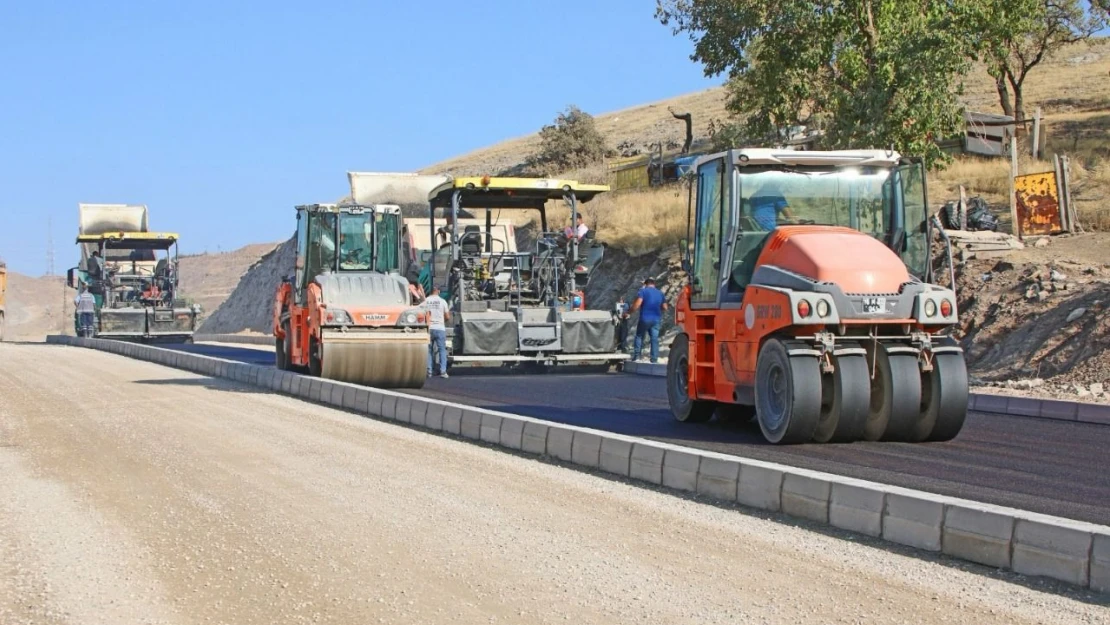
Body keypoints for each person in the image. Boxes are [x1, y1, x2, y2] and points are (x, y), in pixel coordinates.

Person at [631, 277, 667, 364]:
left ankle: (637, 356)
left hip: (645, 319)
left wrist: (629, 312)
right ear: (654, 284)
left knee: (639, 336)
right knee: (654, 338)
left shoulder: (643, 291)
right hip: (656, 319)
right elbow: (665, 307)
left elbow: (637, 304)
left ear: (646, 284)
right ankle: (654, 359)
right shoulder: (660, 293)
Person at [421, 285, 451, 378]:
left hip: (429, 328)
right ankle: (443, 371)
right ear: (438, 291)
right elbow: (447, 317)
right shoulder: (442, 302)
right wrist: (443, 321)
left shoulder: (426, 301)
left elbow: (422, 314)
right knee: (442, 349)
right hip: (440, 328)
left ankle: (429, 371)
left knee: (429, 350)